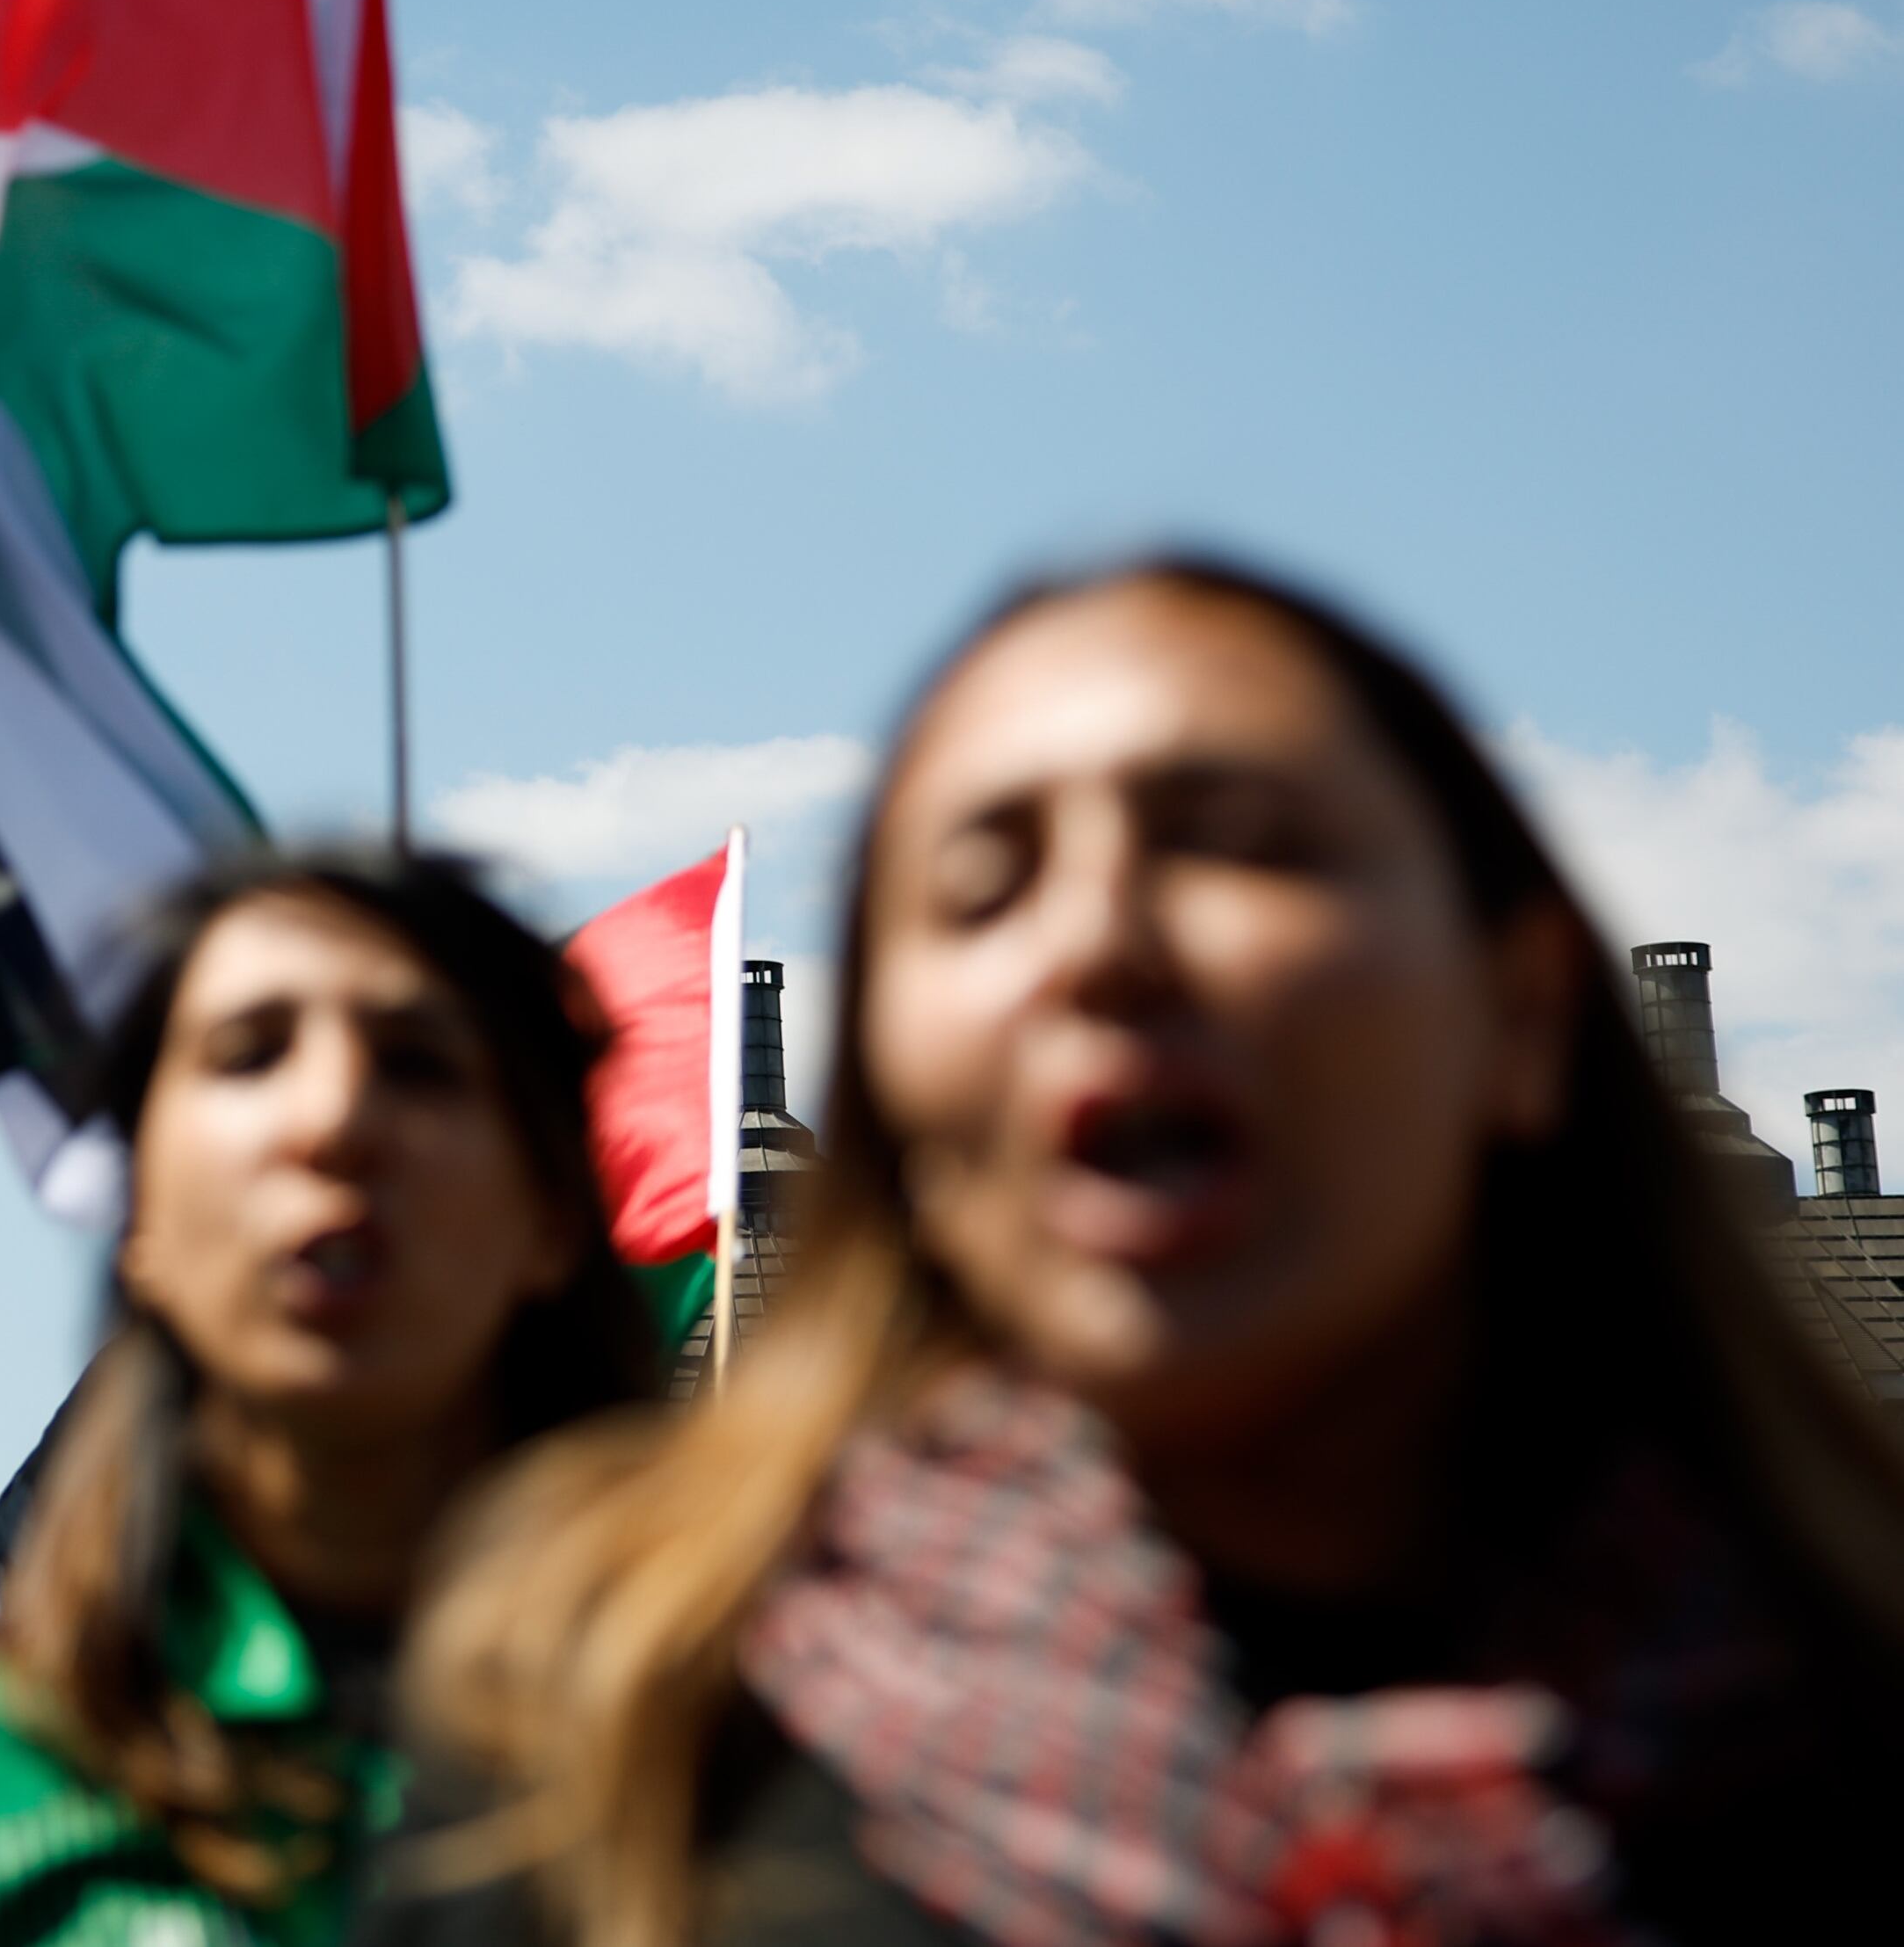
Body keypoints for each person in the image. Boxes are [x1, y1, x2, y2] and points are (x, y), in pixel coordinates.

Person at [399, 555, 1904, 1947]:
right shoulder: (606, 1751)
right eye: (985, 883)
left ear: (1520, 1010)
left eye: (1239, 842)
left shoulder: (1836, 1706)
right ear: (892, 1087)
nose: (1100, 938)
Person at [0, 847, 658, 1947]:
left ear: (553, 1211)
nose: (333, 1118)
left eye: (419, 1062)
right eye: (248, 1055)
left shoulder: (772, 1754)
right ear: (139, 1221)